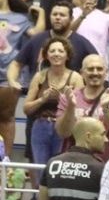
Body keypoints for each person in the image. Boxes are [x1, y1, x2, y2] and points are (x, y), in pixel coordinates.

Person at [39, 119, 106, 200]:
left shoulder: (53, 163)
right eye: (102, 134)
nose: (106, 139)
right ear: (88, 136)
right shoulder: (101, 169)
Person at [55, 54, 109, 159]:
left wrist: (106, 108)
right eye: (90, 69)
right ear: (82, 73)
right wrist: (71, 107)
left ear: (106, 72)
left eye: (99, 69)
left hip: (108, 164)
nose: (95, 73)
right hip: (76, 165)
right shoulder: (68, 97)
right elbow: (63, 132)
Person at [23, 38, 82, 167]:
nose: (56, 54)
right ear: (46, 55)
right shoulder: (40, 76)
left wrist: (63, 99)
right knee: (41, 169)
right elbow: (26, 109)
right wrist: (42, 100)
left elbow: (80, 110)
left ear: (67, 55)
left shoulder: (76, 77)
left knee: (59, 169)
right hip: (41, 126)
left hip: (63, 127)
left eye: (61, 51)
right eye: (52, 51)